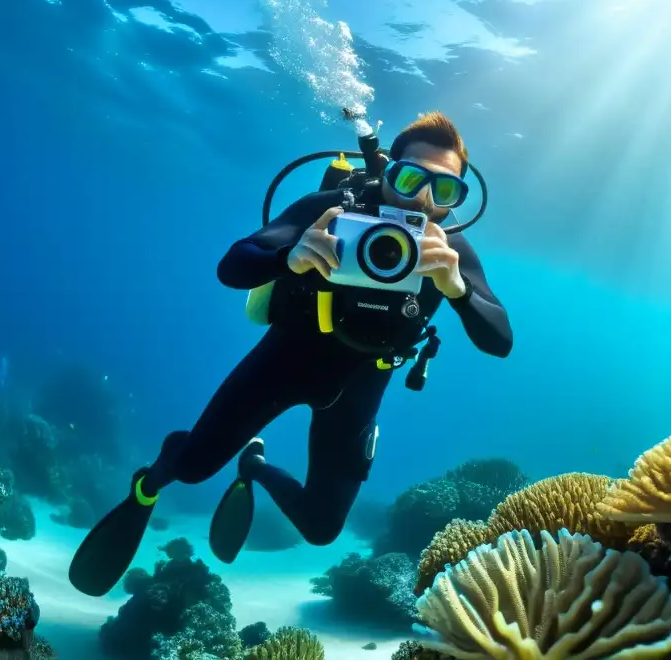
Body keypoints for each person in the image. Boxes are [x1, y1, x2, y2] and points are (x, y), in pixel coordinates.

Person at [68, 111, 513, 597]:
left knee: (321, 528)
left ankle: (254, 467)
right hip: (287, 358)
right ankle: (153, 478)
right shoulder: (334, 210)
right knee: (193, 469)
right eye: (410, 179)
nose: (424, 201)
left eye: (445, 191)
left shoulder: (448, 248)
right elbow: (233, 265)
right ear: (388, 172)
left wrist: (456, 288)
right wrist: (291, 254)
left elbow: (500, 340)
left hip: (361, 384)